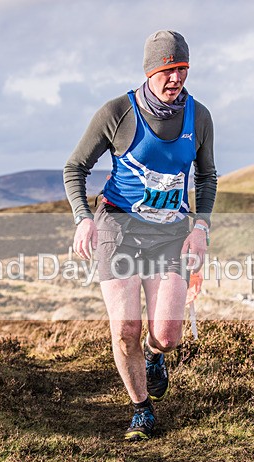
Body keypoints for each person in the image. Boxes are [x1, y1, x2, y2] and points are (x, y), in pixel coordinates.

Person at [64, 31, 217, 440]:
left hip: (170, 234)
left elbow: (207, 175)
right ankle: (141, 409)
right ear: (150, 71)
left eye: (183, 69)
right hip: (119, 228)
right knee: (125, 330)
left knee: (167, 336)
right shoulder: (117, 112)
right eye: (168, 70)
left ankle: (153, 356)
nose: (176, 78)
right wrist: (83, 218)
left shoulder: (199, 116)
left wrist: (201, 227)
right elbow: (75, 167)